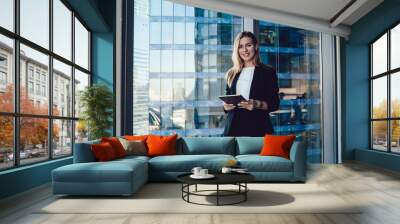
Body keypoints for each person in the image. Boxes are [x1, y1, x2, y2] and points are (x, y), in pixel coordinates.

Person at [223, 31, 280, 137]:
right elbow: (227, 101)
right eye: (240, 46)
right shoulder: (232, 73)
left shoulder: (268, 72)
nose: (244, 50)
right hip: (233, 129)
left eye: (248, 45)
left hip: (257, 128)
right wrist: (226, 107)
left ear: (256, 47)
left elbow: (274, 104)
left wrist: (256, 104)